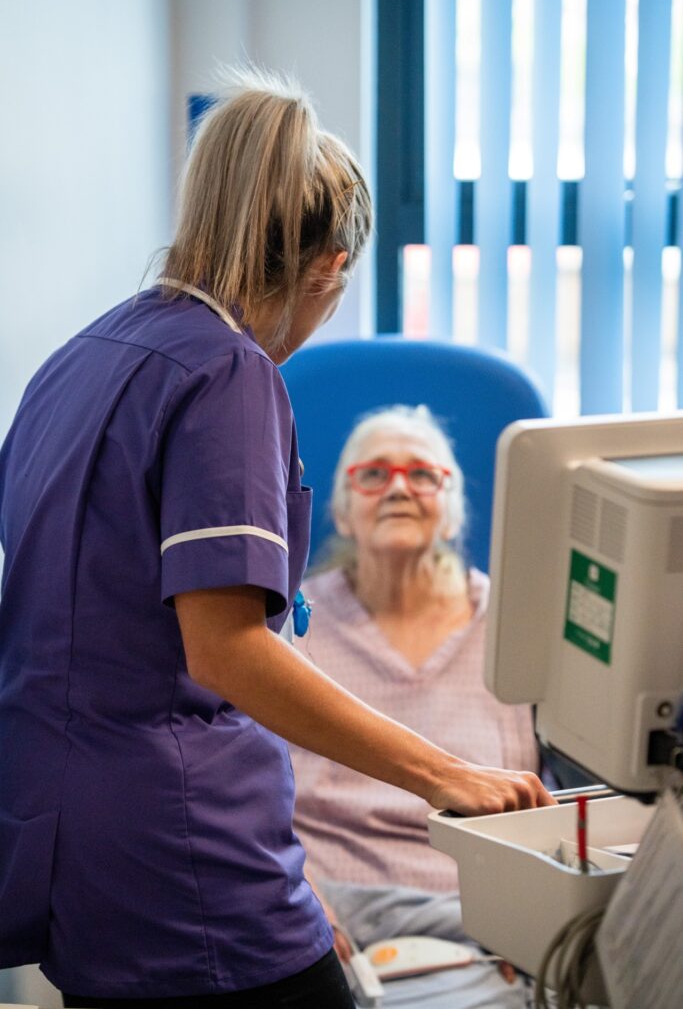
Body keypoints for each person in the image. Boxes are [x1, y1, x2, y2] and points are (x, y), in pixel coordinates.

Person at [0, 69, 553, 1009]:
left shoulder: (83, 356)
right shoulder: (227, 372)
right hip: (186, 853)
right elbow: (225, 650)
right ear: (331, 265)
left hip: (63, 829)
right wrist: (443, 774)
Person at [290, 405, 542, 1007]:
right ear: (342, 514)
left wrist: (532, 915)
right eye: (373, 474)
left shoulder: (514, 625)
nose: (399, 487)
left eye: (422, 474)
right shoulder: (286, 625)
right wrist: (290, 890)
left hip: (477, 910)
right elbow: (237, 777)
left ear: (452, 508)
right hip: (326, 908)